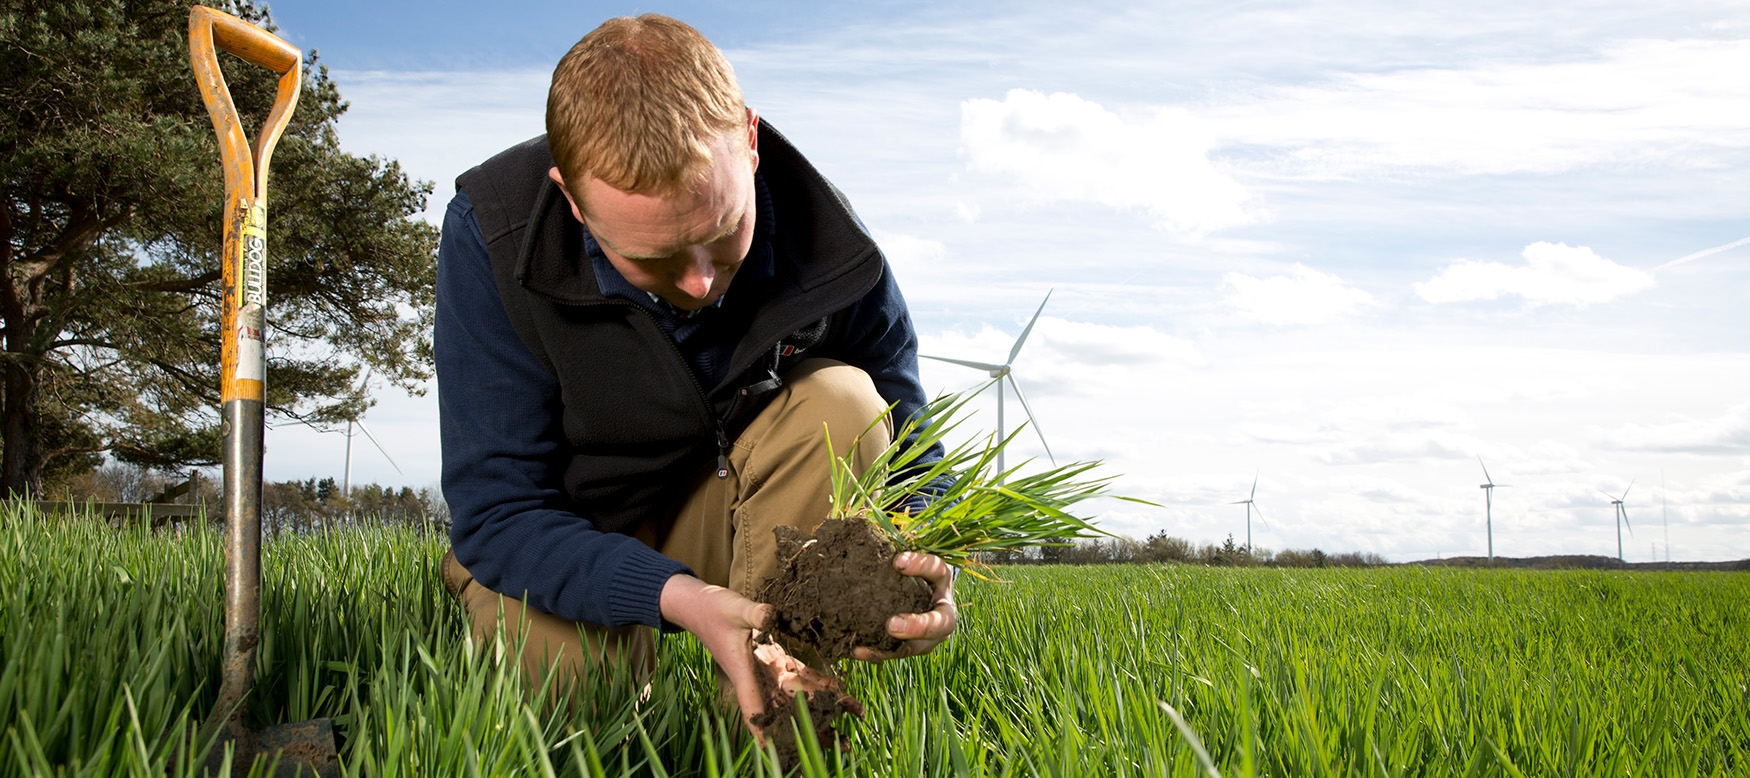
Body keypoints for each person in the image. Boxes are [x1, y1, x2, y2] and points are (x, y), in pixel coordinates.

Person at [432, 14, 956, 734]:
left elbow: (916, 464)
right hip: (574, 529)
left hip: (742, 513)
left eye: (721, 233)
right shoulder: (490, 237)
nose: (704, 282)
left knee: (842, 400)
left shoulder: (834, 248)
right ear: (573, 200)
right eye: (651, 259)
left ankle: (770, 717)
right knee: (573, 723)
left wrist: (920, 568)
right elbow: (498, 511)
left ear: (749, 139)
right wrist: (673, 594)